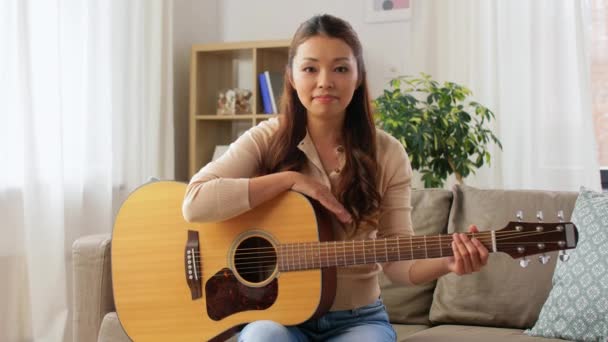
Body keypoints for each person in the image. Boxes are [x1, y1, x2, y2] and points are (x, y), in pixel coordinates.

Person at [182, 14, 489, 342]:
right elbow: (194, 202)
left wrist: (448, 263)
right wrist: (288, 181)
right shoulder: (265, 137)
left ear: (358, 77)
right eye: (310, 68)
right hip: (279, 317)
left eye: (341, 68)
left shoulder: (388, 153)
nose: (325, 81)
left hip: (358, 320)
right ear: (291, 76)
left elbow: (398, 265)